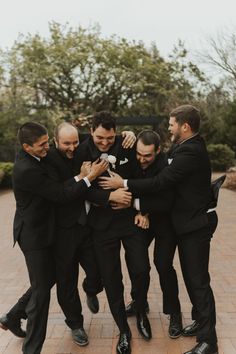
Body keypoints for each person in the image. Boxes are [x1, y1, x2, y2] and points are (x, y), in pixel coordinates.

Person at [0, 123, 133, 347]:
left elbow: (96, 136)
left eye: (75, 142)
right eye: (65, 143)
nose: (72, 147)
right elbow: (61, 194)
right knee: (56, 284)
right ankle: (72, 325)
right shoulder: (36, 165)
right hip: (43, 232)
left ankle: (13, 316)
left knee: (53, 277)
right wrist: (89, 177)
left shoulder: (69, 144)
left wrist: (127, 135)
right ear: (54, 141)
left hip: (80, 226)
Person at [99, 105, 219, 354]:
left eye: (172, 123)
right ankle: (198, 320)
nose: (169, 127)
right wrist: (129, 133)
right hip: (182, 222)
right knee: (185, 275)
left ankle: (209, 342)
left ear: (185, 126)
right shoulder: (180, 146)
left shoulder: (191, 151)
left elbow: (162, 183)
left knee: (198, 282)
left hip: (195, 224)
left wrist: (124, 186)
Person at [74, 111, 152, 354]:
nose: (105, 142)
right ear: (92, 130)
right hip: (101, 225)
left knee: (141, 269)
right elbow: (82, 190)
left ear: (116, 132)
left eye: (109, 138)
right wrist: (109, 197)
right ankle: (123, 331)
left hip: (129, 221)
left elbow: (142, 177)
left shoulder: (127, 144)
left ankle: (140, 311)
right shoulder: (81, 151)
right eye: (100, 138)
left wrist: (138, 206)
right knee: (111, 278)